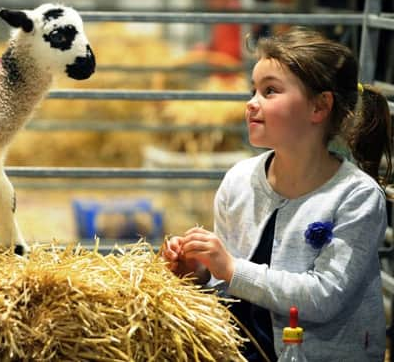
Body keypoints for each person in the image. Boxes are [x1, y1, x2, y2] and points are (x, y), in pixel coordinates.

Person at [162, 28, 391, 361]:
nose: (251, 103)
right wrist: (197, 271)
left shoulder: (357, 196)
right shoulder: (239, 181)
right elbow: (228, 288)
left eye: (270, 91)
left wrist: (228, 267)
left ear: (319, 107)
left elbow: (324, 296)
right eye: (253, 90)